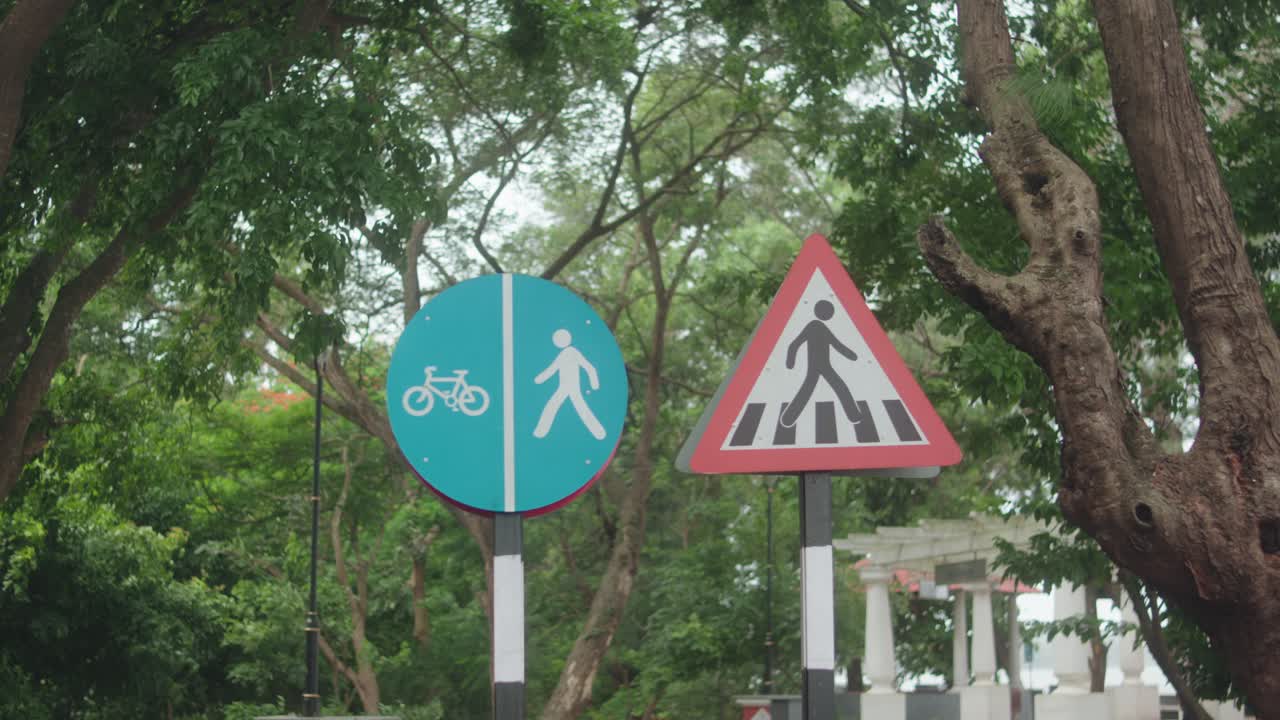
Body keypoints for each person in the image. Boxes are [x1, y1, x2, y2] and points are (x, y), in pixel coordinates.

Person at [779, 300, 858, 427]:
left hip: (823, 366)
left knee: (834, 387)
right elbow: (795, 344)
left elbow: (836, 344)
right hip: (818, 366)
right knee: (837, 387)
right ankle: (854, 415)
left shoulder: (818, 327)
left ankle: (788, 418)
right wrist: (790, 362)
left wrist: (852, 356)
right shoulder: (815, 326)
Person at [533, 329, 606, 439]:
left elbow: (589, 367)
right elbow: (553, 368)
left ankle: (599, 432)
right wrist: (539, 379)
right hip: (564, 387)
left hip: (571, 387)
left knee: (559, 405)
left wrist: (594, 383)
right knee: (558, 405)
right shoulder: (564, 353)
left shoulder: (572, 352)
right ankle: (540, 431)